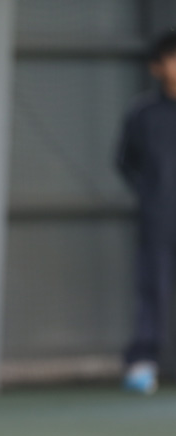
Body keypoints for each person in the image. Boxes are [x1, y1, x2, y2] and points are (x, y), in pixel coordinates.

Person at [117, 29, 176, 394]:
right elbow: (125, 161)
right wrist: (150, 195)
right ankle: (142, 364)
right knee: (152, 289)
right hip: (158, 220)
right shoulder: (143, 113)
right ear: (157, 67)